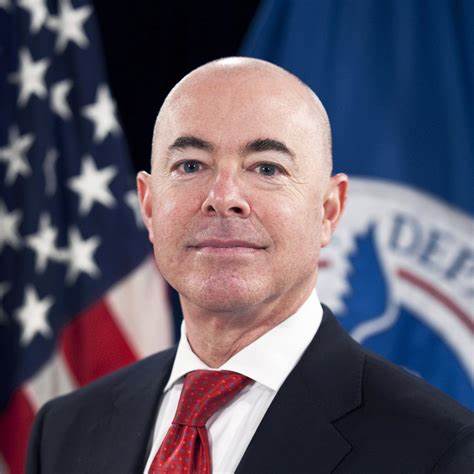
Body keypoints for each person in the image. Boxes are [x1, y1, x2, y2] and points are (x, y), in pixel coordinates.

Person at [27, 57, 473, 473]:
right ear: (148, 205)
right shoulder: (62, 432)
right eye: (190, 165)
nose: (223, 198)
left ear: (329, 211)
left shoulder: (439, 448)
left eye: (266, 169)